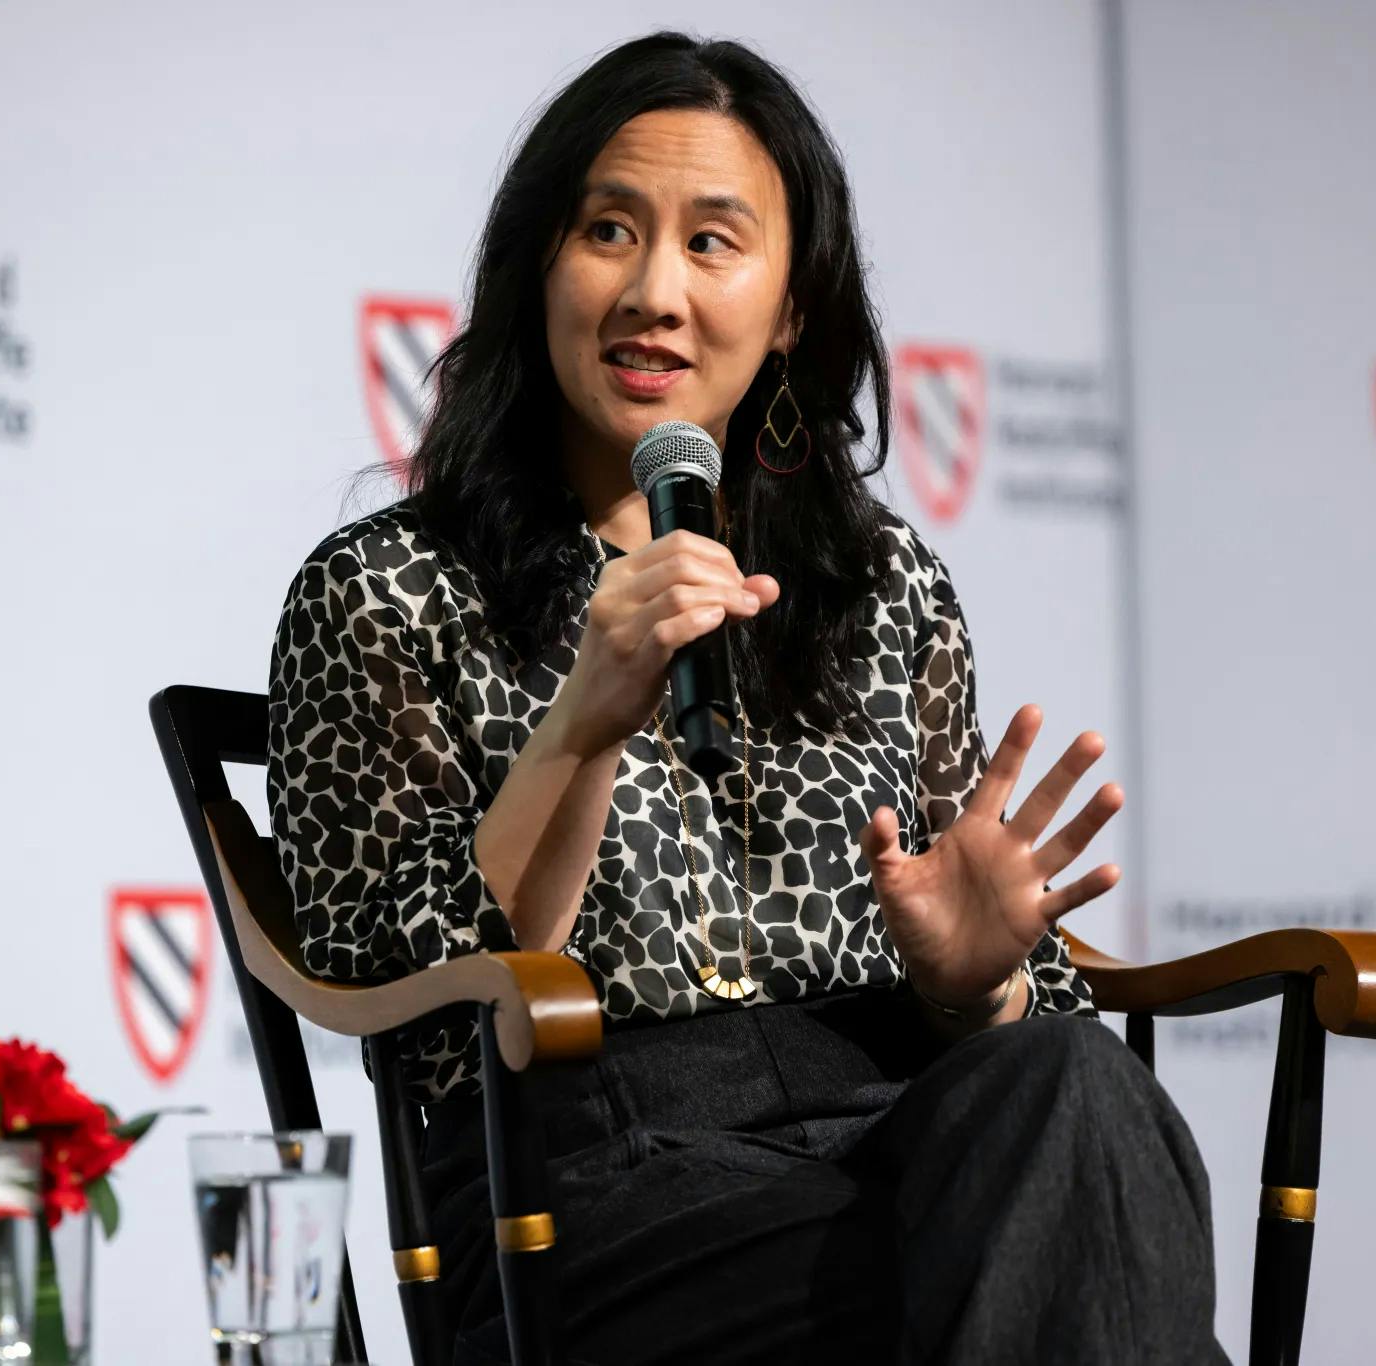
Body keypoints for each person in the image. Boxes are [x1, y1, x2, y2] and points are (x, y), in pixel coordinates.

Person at [267, 30, 1229, 1365]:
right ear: (538, 266)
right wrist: (580, 725)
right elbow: (417, 1022)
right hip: (587, 1197)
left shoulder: (880, 584)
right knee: (1056, 1269)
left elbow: (1038, 1043)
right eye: (608, 230)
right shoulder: (387, 591)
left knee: (1073, 1089)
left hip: (901, 1132)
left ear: (791, 311)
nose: (653, 292)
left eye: (712, 242)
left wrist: (972, 993)